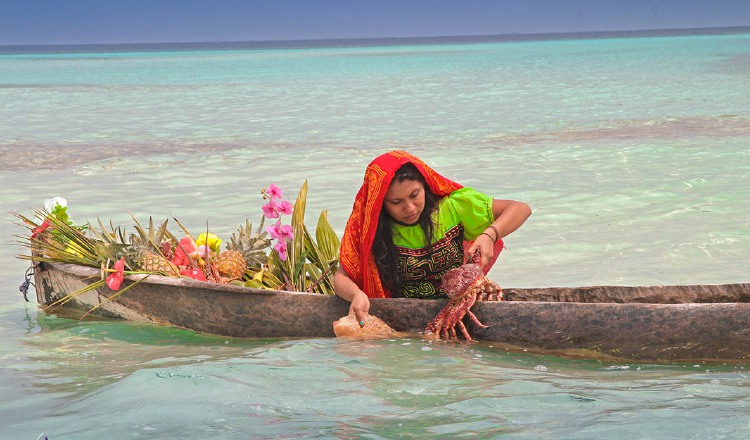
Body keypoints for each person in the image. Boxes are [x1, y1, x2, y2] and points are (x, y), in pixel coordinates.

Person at [334, 150, 531, 326]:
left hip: (457, 304)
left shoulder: (453, 207)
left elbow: (520, 208)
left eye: (414, 195)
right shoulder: (370, 230)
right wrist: (356, 294)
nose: (409, 208)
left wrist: (490, 234)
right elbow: (342, 277)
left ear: (425, 186)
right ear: (381, 203)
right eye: (396, 202)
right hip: (403, 319)